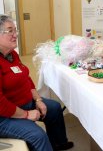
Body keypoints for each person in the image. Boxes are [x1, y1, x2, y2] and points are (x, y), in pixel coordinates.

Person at [0, 14, 74, 151]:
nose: (15, 35)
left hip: (24, 103)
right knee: (38, 135)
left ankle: (58, 144)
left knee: (54, 108)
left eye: (16, 30)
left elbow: (26, 79)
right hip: (4, 116)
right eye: (10, 31)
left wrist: (38, 100)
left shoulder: (12, 54)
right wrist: (26, 114)